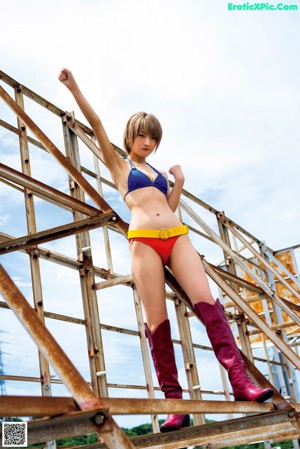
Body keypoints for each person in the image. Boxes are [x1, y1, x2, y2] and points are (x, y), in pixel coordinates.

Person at [58, 68, 274, 433]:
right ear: (130, 137)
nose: (147, 142)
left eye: (153, 137)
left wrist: (180, 183)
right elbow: (94, 122)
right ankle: (176, 404)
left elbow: (170, 207)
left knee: (209, 306)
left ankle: (241, 383)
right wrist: (73, 87)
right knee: (157, 323)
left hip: (177, 236)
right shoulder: (119, 165)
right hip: (143, 242)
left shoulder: (157, 171)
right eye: (141, 135)